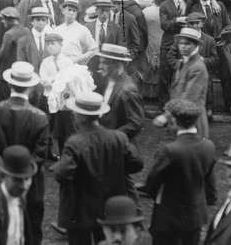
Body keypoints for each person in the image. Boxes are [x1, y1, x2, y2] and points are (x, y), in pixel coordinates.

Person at [52, 91, 144, 245]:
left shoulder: (74, 142)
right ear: (98, 115)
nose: (73, 115)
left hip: (80, 209)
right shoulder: (118, 137)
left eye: (75, 113)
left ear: (80, 117)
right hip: (110, 208)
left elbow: (62, 174)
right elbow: (137, 163)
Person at [0, 62, 49, 245]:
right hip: (31, 185)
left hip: (0, 181)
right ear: (31, 87)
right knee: (31, 233)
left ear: (9, 84)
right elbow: (40, 155)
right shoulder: (40, 117)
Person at [140, 99, 217, 245]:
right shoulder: (208, 146)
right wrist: (211, 198)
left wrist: (148, 190)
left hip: (169, 217)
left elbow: (153, 181)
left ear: (174, 121)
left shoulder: (169, 150)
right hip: (195, 216)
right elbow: (210, 180)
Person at [96, 44, 145, 142]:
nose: (100, 66)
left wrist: (112, 137)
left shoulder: (129, 90)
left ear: (118, 63)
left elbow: (135, 124)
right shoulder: (107, 81)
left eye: (104, 63)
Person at [53, 0, 98, 65]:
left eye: (74, 11)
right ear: (63, 11)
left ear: (76, 14)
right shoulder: (57, 30)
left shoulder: (82, 30)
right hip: (60, 67)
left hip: (76, 67)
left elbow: (94, 49)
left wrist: (78, 59)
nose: (71, 13)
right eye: (69, 10)